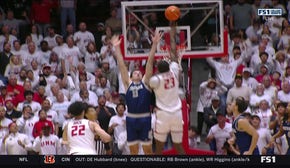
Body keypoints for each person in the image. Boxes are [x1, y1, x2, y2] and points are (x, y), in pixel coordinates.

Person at [111, 31, 161, 155]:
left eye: (139, 72)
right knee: (133, 150)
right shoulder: (128, 83)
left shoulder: (146, 83)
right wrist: (117, 48)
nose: (137, 73)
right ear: (131, 76)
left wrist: (154, 44)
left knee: (148, 150)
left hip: (145, 118)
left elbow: (149, 63)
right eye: (135, 72)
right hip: (131, 119)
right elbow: (122, 66)